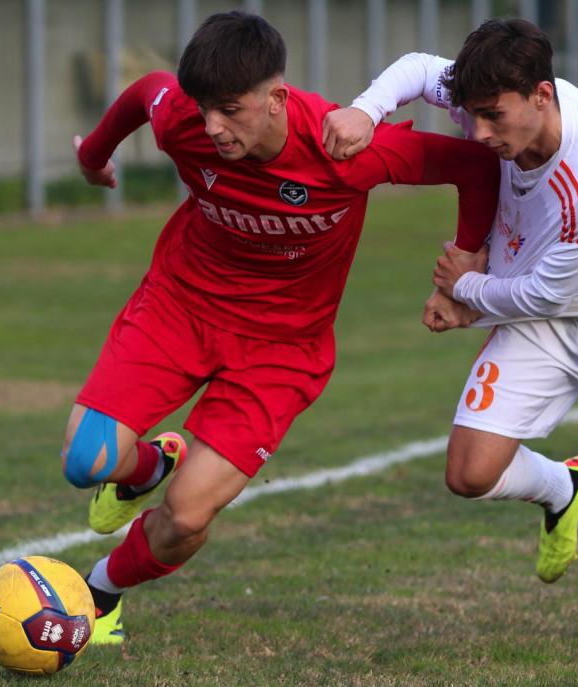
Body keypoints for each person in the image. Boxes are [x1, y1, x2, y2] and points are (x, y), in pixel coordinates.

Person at [67, 11, 499, 645]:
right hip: (180, 307)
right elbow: (146, 91)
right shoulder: (186, 121)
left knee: (186, 517)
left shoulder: (344, 149)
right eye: (204, 109)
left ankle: (101, 592)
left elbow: (477, 167)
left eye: (231, 110)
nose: (213, 127)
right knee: (86, 461)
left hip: (281, 351)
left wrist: (462, 269)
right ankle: (148, 469)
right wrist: (93, 156)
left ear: (276, 99)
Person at [322, 18, 578, 648]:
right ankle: (566, 486)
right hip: (547, 312)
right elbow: (423, 68)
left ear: (542, 96)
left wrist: (463, 289)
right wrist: (367, 110)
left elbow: (544, 295)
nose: (477, 133)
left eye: (492, 117)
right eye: (471, 114)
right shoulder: (497, 96)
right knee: (469, 473)